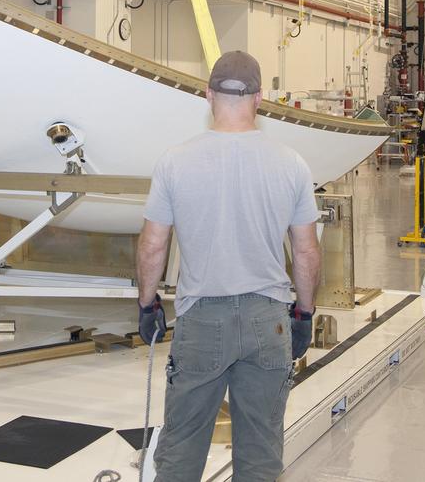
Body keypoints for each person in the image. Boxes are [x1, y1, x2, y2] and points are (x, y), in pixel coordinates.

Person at [135, 50, 322, 482]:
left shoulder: (174, 161)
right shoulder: (291, 163)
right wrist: (305, 313)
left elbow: (152, 245)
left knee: (181, 452)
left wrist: (147, 305)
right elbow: (307, 252)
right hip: (268, 321)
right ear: (259, 97)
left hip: (202, 321)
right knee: (260, 455)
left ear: (207, 95)